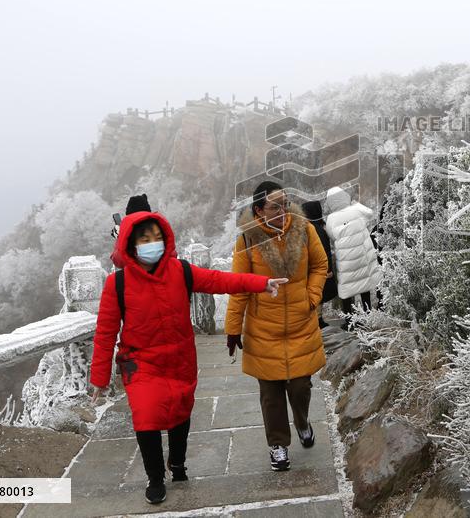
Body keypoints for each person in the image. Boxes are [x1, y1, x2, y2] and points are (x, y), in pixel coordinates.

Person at [89, 194, 286, 505]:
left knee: (180, 412)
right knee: (146, 416)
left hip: (180, 358)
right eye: (144, 239)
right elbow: (104, 333)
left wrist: (260, 283)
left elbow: (220, 280)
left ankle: (178, 462)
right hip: (140, 363)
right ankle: (156, 477)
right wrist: (99, 378)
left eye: (156, 237)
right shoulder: (118, 284)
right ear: (130, 244)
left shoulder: (180, 270)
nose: (152, 243)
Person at [226, 181, 329, 472]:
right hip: (264, 329)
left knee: (300, 387)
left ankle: (302, 421)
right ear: (259, 210)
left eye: (285, 203)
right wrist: (233, 328)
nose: (283, 210)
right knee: (271, 394)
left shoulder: (304, 230)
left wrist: (312, 297)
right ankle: (278, 444)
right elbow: (239, 286)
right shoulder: (248, 240)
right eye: (275, 206)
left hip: (300, 323)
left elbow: (320, 265)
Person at [321, 186, 382, 329]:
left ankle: (349, 321)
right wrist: (355, 204)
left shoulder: (331, 219)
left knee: (347, 288)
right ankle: (368, 316)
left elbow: (332, 236)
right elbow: (370, 214)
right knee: (365, 285)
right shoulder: (355, 209)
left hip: (346, 259)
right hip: (362, 255)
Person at [300, 199, 338, 328]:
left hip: (314, 268)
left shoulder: (311, 229)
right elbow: (324, 251)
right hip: (318, 268)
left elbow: (321, 252)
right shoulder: (318, 229)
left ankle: (318, 319)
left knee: (318, 293)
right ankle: (318, 319)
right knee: (319, 293)